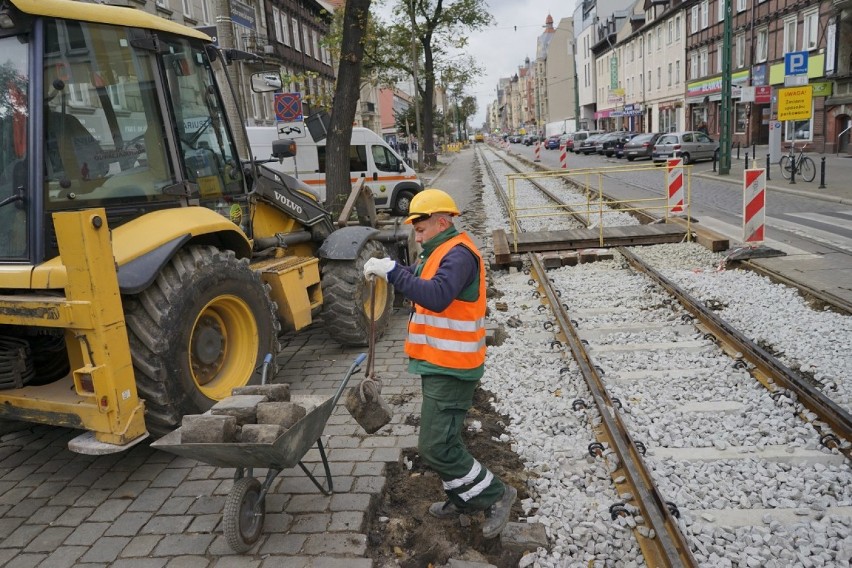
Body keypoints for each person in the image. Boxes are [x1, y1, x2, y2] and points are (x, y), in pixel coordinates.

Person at [363, 189, 517, 539]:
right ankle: (462, 498)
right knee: (444, 440)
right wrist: (392, 270)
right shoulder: (438, 250)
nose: (416, 235)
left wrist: (392, 272)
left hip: (453, 367)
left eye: (420, 228)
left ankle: (497, 494)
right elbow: (422, 285)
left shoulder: (459, 255)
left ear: (442, 221)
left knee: (435, 446)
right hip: (439, 363)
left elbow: (435, 296)